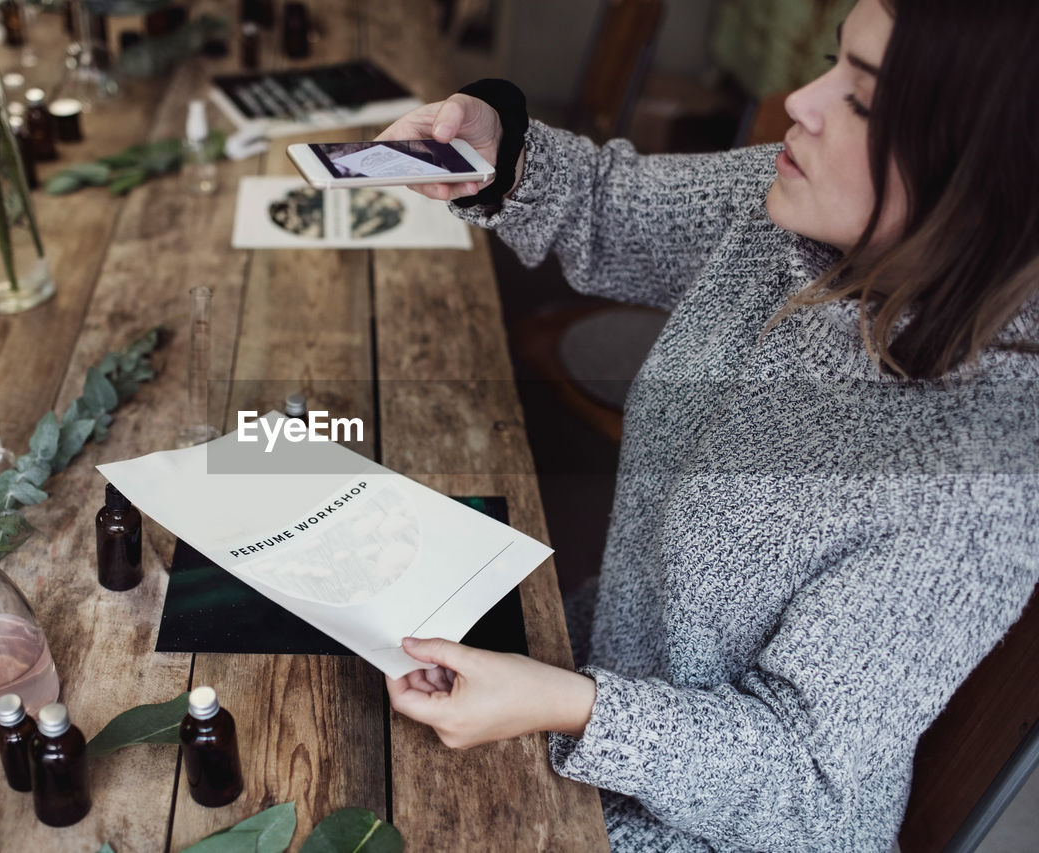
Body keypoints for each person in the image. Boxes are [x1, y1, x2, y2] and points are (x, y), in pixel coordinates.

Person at [377, 0, 1039, 850]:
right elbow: (609, 205)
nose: (802, 99)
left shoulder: (981, 475)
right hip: (588, 677)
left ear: (984, 171)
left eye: (863, 102)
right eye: (836, 62)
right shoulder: (804, 211)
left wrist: (571, 705)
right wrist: (492, 151)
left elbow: (810, 787)